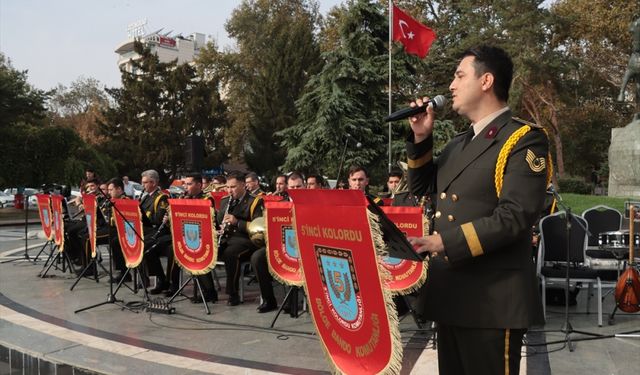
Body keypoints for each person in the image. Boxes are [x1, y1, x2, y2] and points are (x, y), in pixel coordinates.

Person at [406, 45, 548, 375]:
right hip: (452, 295)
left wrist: (443, 242)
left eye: (459, 76)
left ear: (486, 81)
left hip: (493, 301)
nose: (451, 85)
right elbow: (423, 187)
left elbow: (515, 216)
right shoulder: (459, 142)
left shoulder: (522, 140)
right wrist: (421, 137)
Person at [250, 172, 304, 313]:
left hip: (304, 247)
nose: (296, 190)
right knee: (258, 258)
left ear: (304, 186)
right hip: (283, 244)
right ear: (288, 187)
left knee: (293, 258)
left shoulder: (312, 204)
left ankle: (292, 302)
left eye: (299, 186)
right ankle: (269, 300)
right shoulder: (279, 205)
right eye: (293, 187)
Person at [217, 171, 264, 305]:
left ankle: (233, 293)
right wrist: (217, 230)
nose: (229, 191)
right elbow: (218, 221)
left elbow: (258, 227)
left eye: (233, 187)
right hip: (227, 238)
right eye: (228, 187)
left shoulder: (255, 201)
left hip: (247, 240)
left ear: (243, 185)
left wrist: (237, 222)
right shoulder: (225, 201)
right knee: (205, 247)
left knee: (230, 254)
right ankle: (208, 290)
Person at [139, 169, 171, 294]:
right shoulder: (146, 197)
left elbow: (158, 220)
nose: (143, 185)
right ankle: (145, 277)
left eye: (145, 182)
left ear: (153, 183)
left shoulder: (161, 197)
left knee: (146, 247)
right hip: (148, 230)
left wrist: (144, 217)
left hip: (159, 231)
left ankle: (161, 280)